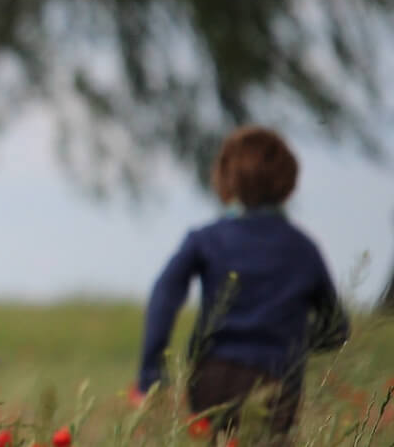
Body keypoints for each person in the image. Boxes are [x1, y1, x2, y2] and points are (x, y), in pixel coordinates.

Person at [133, 126, 350, 444]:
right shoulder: (304, 249)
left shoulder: (206, 239)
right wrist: (291, 343)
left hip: (212, 378)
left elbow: (164, 296)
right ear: (288, 184)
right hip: (276, 381)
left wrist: (151, 375)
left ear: (225, 179)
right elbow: (336, 329)